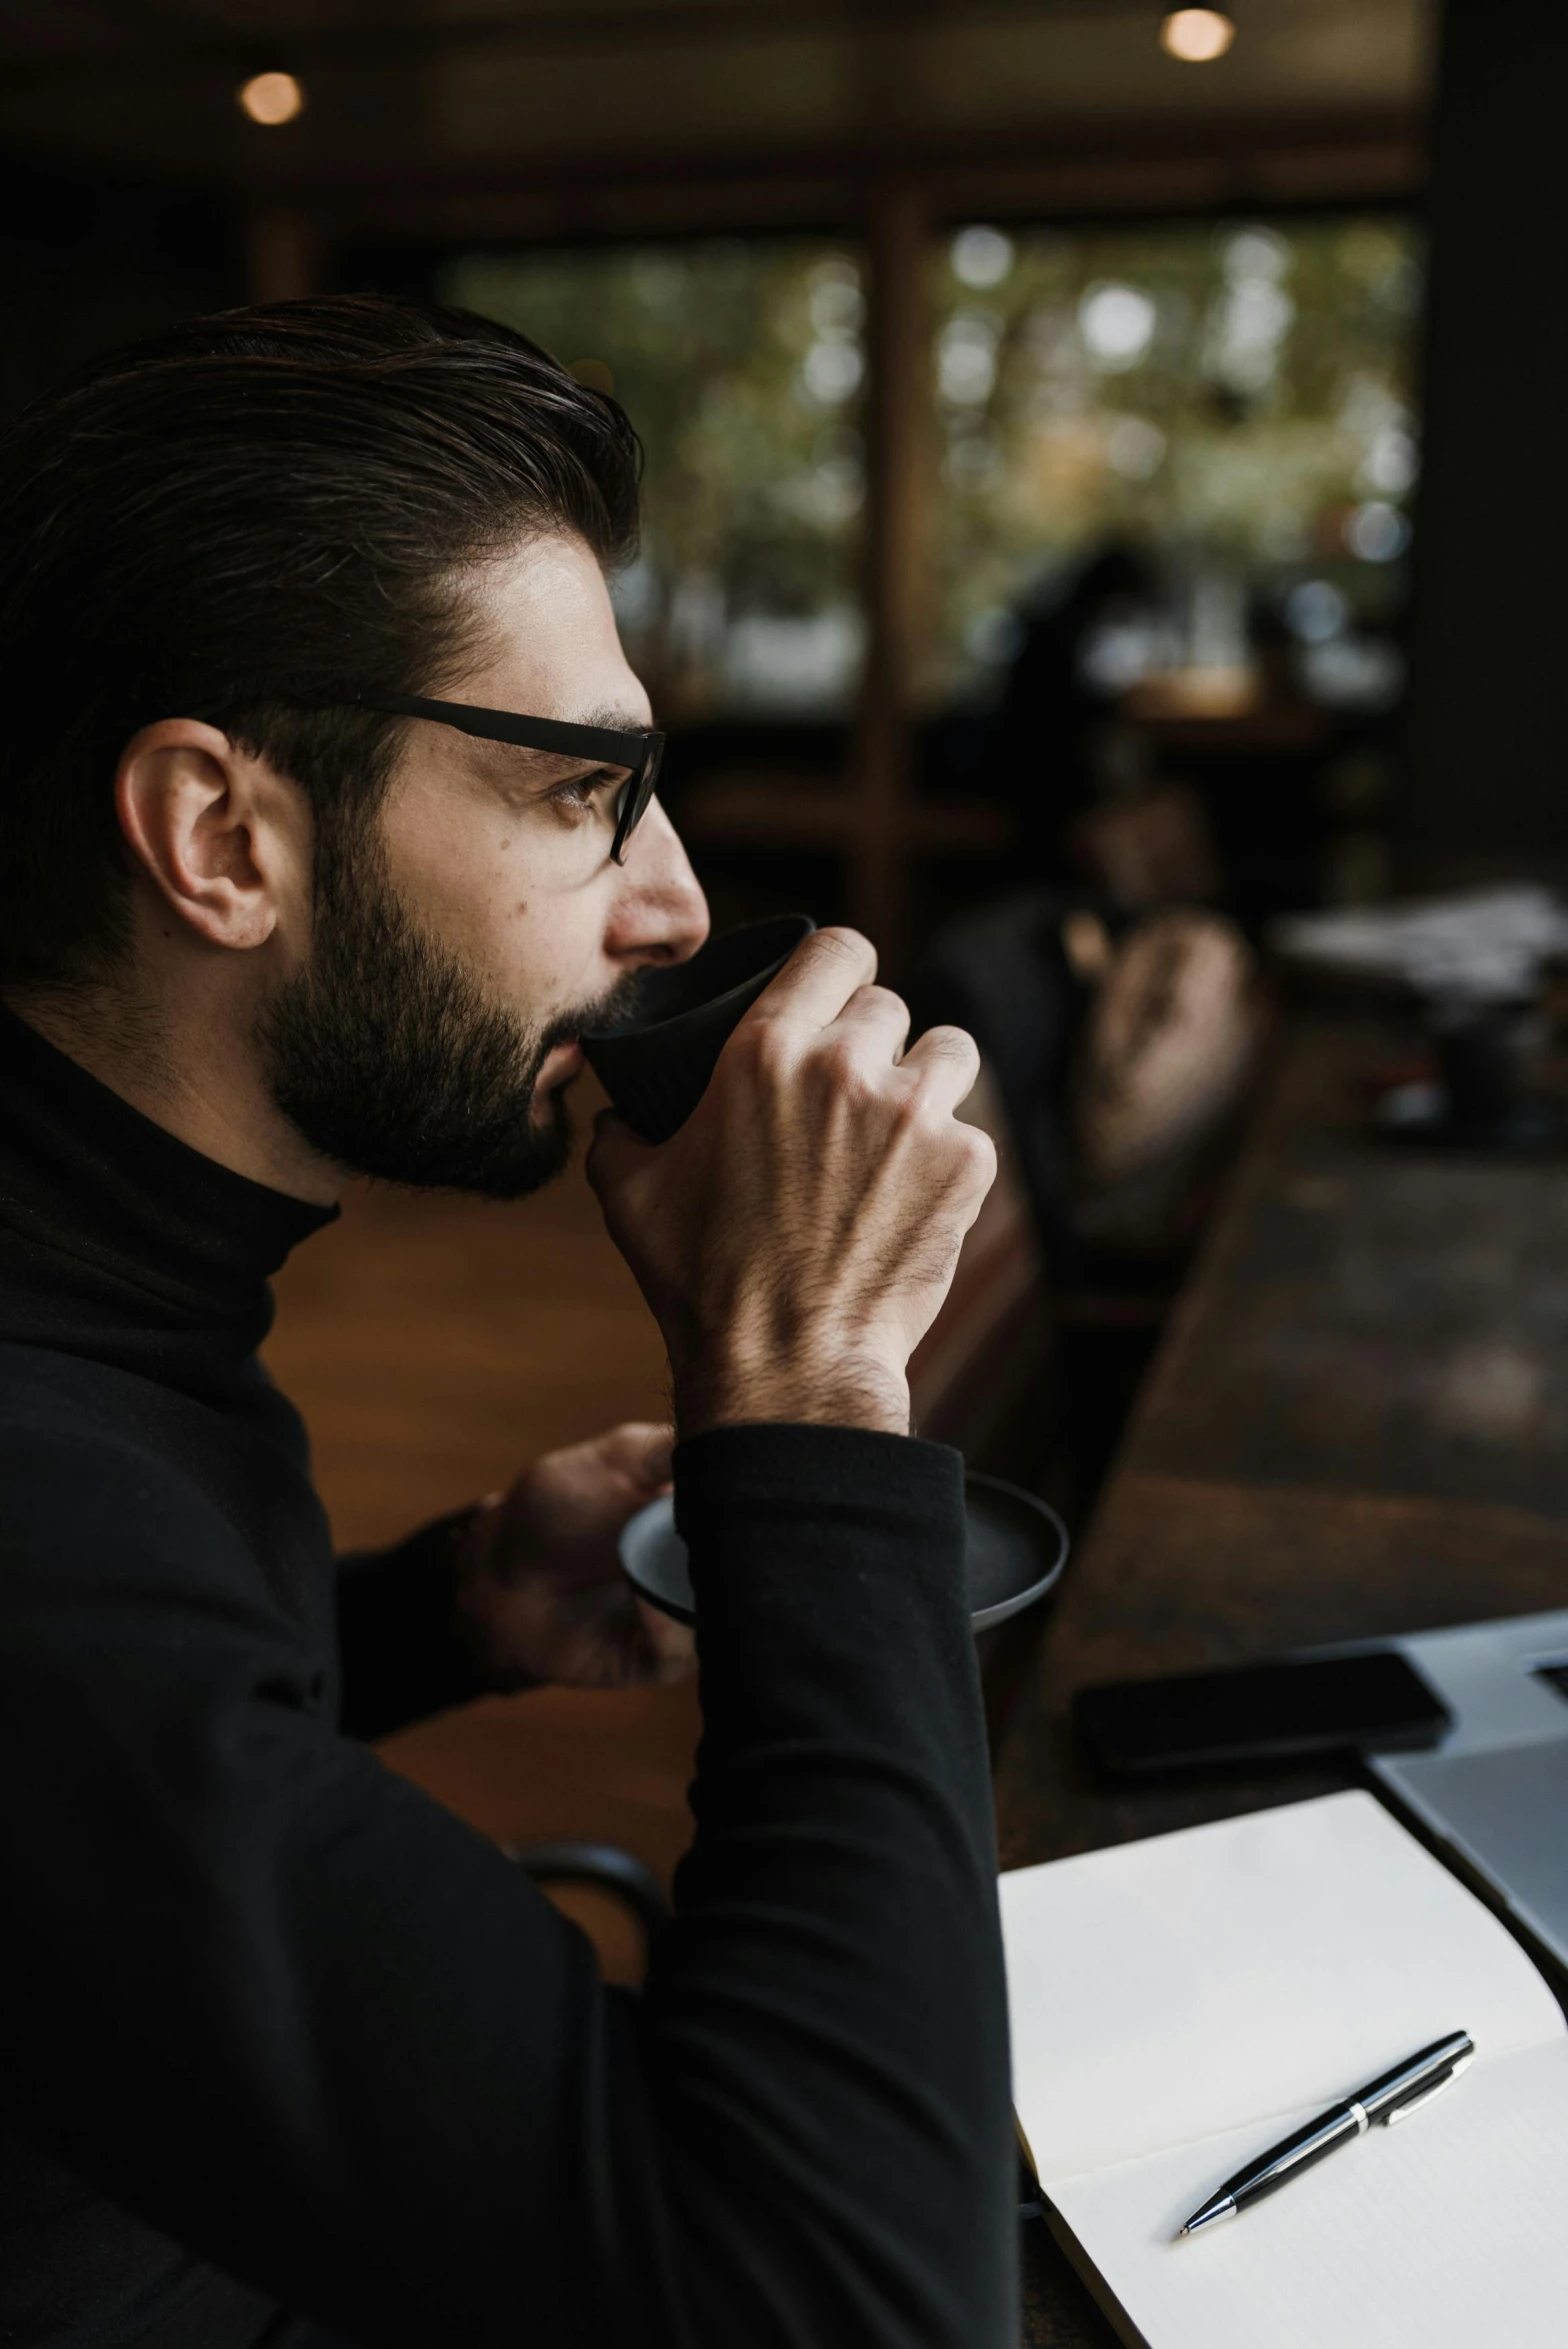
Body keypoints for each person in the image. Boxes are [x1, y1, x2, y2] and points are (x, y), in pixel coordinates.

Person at [0, 297, 1013, 2349]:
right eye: (583, 795)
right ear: (223, 837)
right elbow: (854, 2305)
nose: (669, 901)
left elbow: (97, 1810)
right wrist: (808, 1392)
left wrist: (440, 1607)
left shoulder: (108, 1297)